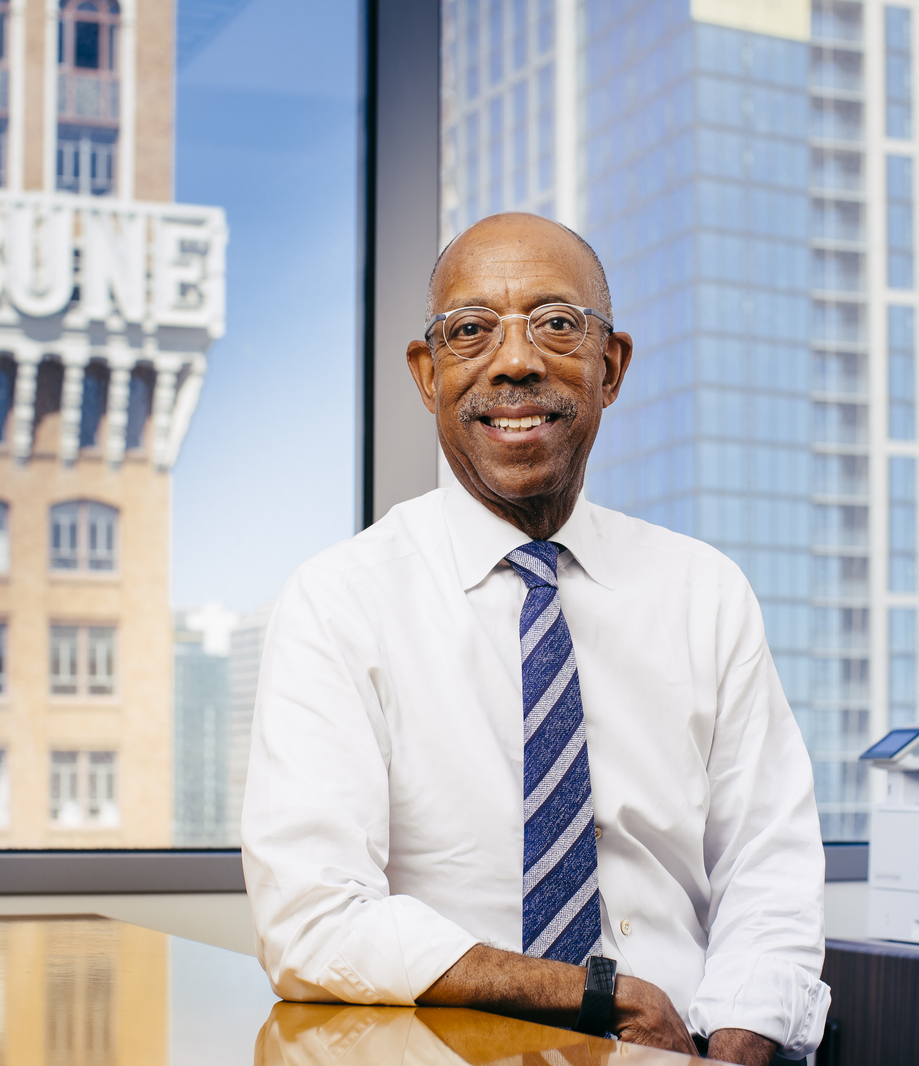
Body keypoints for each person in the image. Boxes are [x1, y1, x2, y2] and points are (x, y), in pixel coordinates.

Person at [242, 213, 830, 1064]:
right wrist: (598, 996)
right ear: (426, 373)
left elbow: (768, 869)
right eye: (471, 331)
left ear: (612, 365)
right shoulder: (340, 602)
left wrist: (731, 1049)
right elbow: (312, 917)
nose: (514, 362)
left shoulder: (705, 592)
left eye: (556, 324)